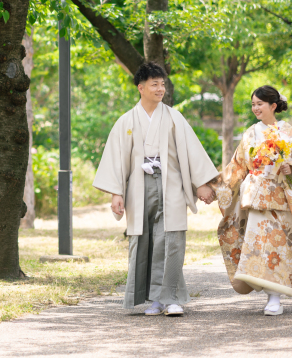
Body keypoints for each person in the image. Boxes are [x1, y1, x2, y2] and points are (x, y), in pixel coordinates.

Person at [93, 62, 219, 316]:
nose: (160, 89)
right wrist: (117, 192)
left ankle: (171, 298)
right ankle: (154, 299)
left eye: (162, 84)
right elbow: (117, 159)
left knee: (171, 239)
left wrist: (201, 184)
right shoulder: (126, 121)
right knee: (144, 240)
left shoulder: (174, 117)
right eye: (154, 84)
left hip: (170, 182)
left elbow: (192, 151)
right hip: (138, 186)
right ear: (141, 87)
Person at [197, 85, 292, 316]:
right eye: (253, 104)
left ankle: (275, 297)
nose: (255, 108)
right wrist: (214, 188)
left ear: (273, 105)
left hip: (283, 198)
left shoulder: (289, 133)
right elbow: (238, 166)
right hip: (257, 198)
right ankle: (269, 294)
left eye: (260, 104)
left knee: (281, 247)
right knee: (261, 247)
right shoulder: (250, 133)